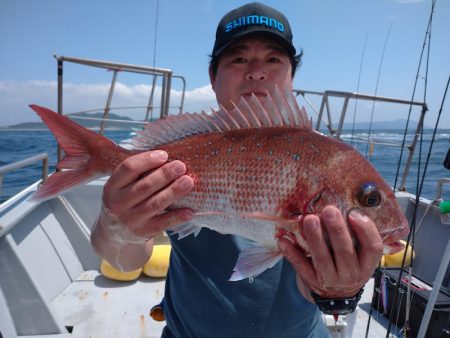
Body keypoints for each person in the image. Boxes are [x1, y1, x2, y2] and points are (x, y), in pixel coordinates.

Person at [90, 2, 383, 337]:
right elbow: (125, 261)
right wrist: (118, 228)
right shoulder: (181, 151)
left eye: (273, 59)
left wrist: (336, 289)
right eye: (239, 59)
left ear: (292, 75)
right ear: (213, 77)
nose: (257, 71)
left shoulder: (327, 162)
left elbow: (307, 283)